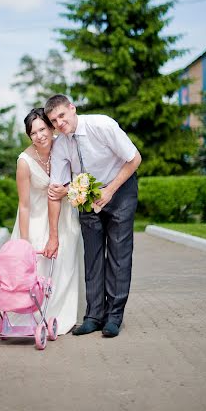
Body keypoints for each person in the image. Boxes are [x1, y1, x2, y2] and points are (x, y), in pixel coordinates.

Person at [45, 94, 141, 338]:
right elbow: (58, 185)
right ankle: (94, 316)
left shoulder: (102, 125)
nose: (59, 123)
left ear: (72, 109)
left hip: (120, 190)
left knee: (119, 254)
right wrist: (62, 189)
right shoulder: (61, 145)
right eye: (54, 120)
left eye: (62, 116)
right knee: (93, 256)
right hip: (86, 197)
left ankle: (114, 317)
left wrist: (110, 190)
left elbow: (134, 159)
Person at [0, 108, 83, 335]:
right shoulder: (24, 161)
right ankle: (29, 313)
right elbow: (24, 204)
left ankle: (60, 313)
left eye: (42, 129)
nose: (39, 136)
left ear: (50, 127)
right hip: (36, 218)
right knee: (37, 265)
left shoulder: (64, 144)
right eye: (33, 133)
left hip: (65, 215)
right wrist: (25, 241)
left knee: (66, 261)